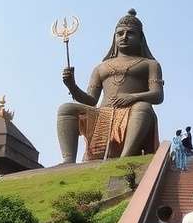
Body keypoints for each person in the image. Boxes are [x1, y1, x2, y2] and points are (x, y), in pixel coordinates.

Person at [57, 9, 162, 162]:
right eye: (120, 34)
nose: (124, 37)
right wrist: (72, 86)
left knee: (143, 107)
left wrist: (132, 98)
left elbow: (157, 95)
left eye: (130, 33)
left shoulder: (150, 64)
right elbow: (91, 100)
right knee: (65, 109)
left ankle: (125, 157)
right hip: (103, 115)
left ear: (140, 39)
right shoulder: (101, 67)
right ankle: (68, 161)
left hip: (132, 112)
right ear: (114, 38)